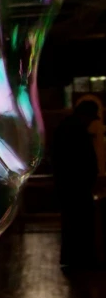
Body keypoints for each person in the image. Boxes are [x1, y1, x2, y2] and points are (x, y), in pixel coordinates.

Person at [52, 99, 100, 269]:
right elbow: (81, 160)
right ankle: (82, 259)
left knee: (73, 223)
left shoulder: (67, 128)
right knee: (81, 224)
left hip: (70, 186)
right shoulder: (75, 131)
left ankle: (74, 259)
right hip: (76, 187)